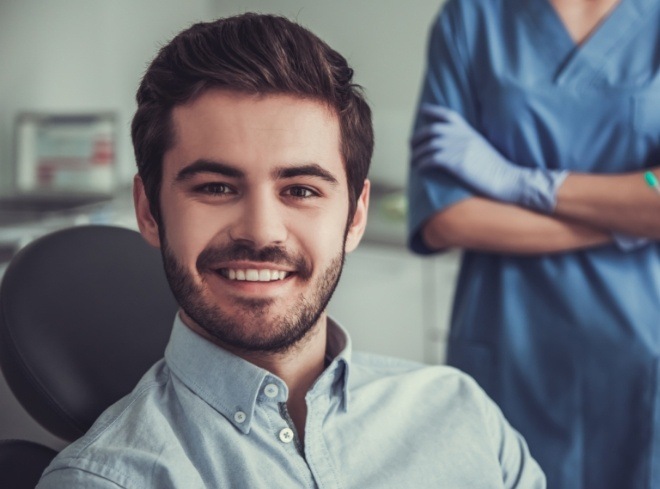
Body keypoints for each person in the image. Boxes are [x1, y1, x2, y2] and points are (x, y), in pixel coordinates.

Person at [36, 13, 544, 489]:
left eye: (301, 190)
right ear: (149, 211)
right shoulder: (106, 479)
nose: (262, 233)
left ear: (356, 215)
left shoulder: (462, 411)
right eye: (215, 187)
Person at [407, 0, 660, 488]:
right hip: (510, 343)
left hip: (640, 353)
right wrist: (633, 217)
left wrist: (521, 183)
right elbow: (447, 216)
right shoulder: (472, 19)